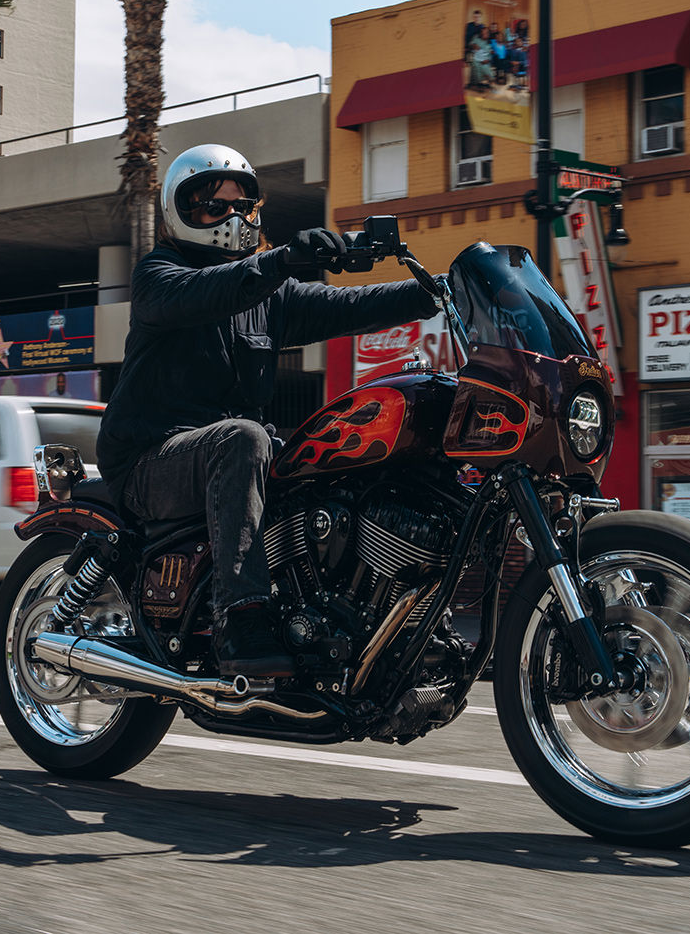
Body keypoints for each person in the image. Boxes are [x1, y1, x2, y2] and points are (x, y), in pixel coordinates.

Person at [96, 144, 442, 677]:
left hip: (222, 455)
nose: (230, 216)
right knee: (245, 438)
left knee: (329, 456)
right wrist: (281, 260)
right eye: (213, 205)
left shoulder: (269, 294)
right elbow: (210, 292)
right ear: (179, 211)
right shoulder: (159, 273)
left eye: (241, 205)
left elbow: (350, 305)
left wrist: (440, 292)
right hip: (149, 459)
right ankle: (241, 619)